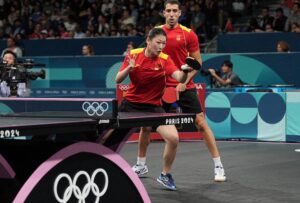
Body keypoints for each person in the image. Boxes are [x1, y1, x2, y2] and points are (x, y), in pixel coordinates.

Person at [132, 0, 226, 182]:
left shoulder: (188, 34)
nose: (172, 14)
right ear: (164, 13)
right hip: (159, 87)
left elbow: (197, 63)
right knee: (145, 125)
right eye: (169, 11)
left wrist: (185, 81)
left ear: (180, 13)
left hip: (184, 84)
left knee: (200, 122)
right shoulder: (156, 33)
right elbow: (148, 56)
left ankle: (218, 165)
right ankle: (141, 164)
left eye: (175, 11)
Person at [115, 27, 192, 190]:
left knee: (173, 138)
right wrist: (129, 68)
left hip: (153, 107)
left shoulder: (165, 59)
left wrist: (185, 72)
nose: (161, 46)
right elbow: (117, 79)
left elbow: (179, 77)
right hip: (131, 104)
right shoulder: (134, 54)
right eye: (158, 43)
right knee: (110, 137)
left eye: (164, 43)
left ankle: (165, 175)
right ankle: (135, 165)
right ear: (148, 41)